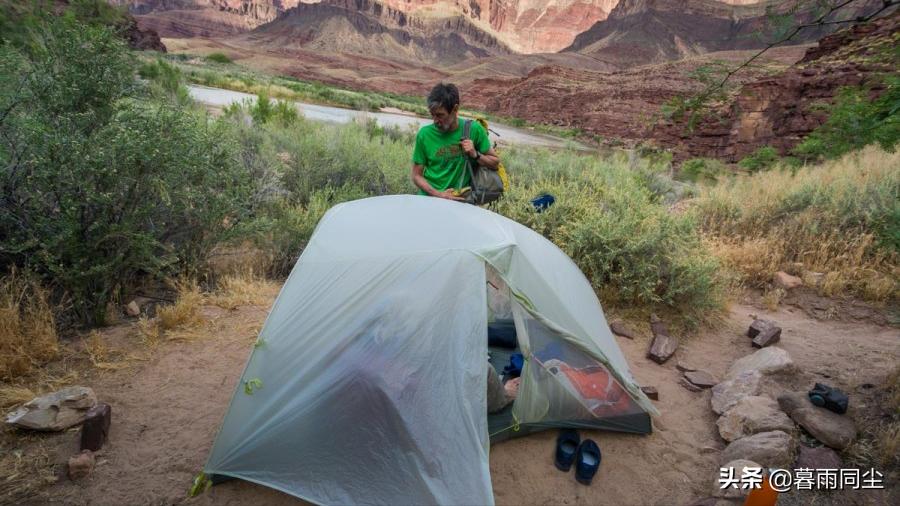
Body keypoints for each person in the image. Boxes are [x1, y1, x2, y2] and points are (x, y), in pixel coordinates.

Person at [411, 83, 501, 201]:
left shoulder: (474, 130)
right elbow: (416, 176)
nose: (435, 121)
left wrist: (475, 154)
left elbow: (495, 162)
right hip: (428, 200)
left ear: (455, 109)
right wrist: (440, 194)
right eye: (432, 115)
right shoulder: (424, 134)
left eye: (440, 115)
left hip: (459, 202)